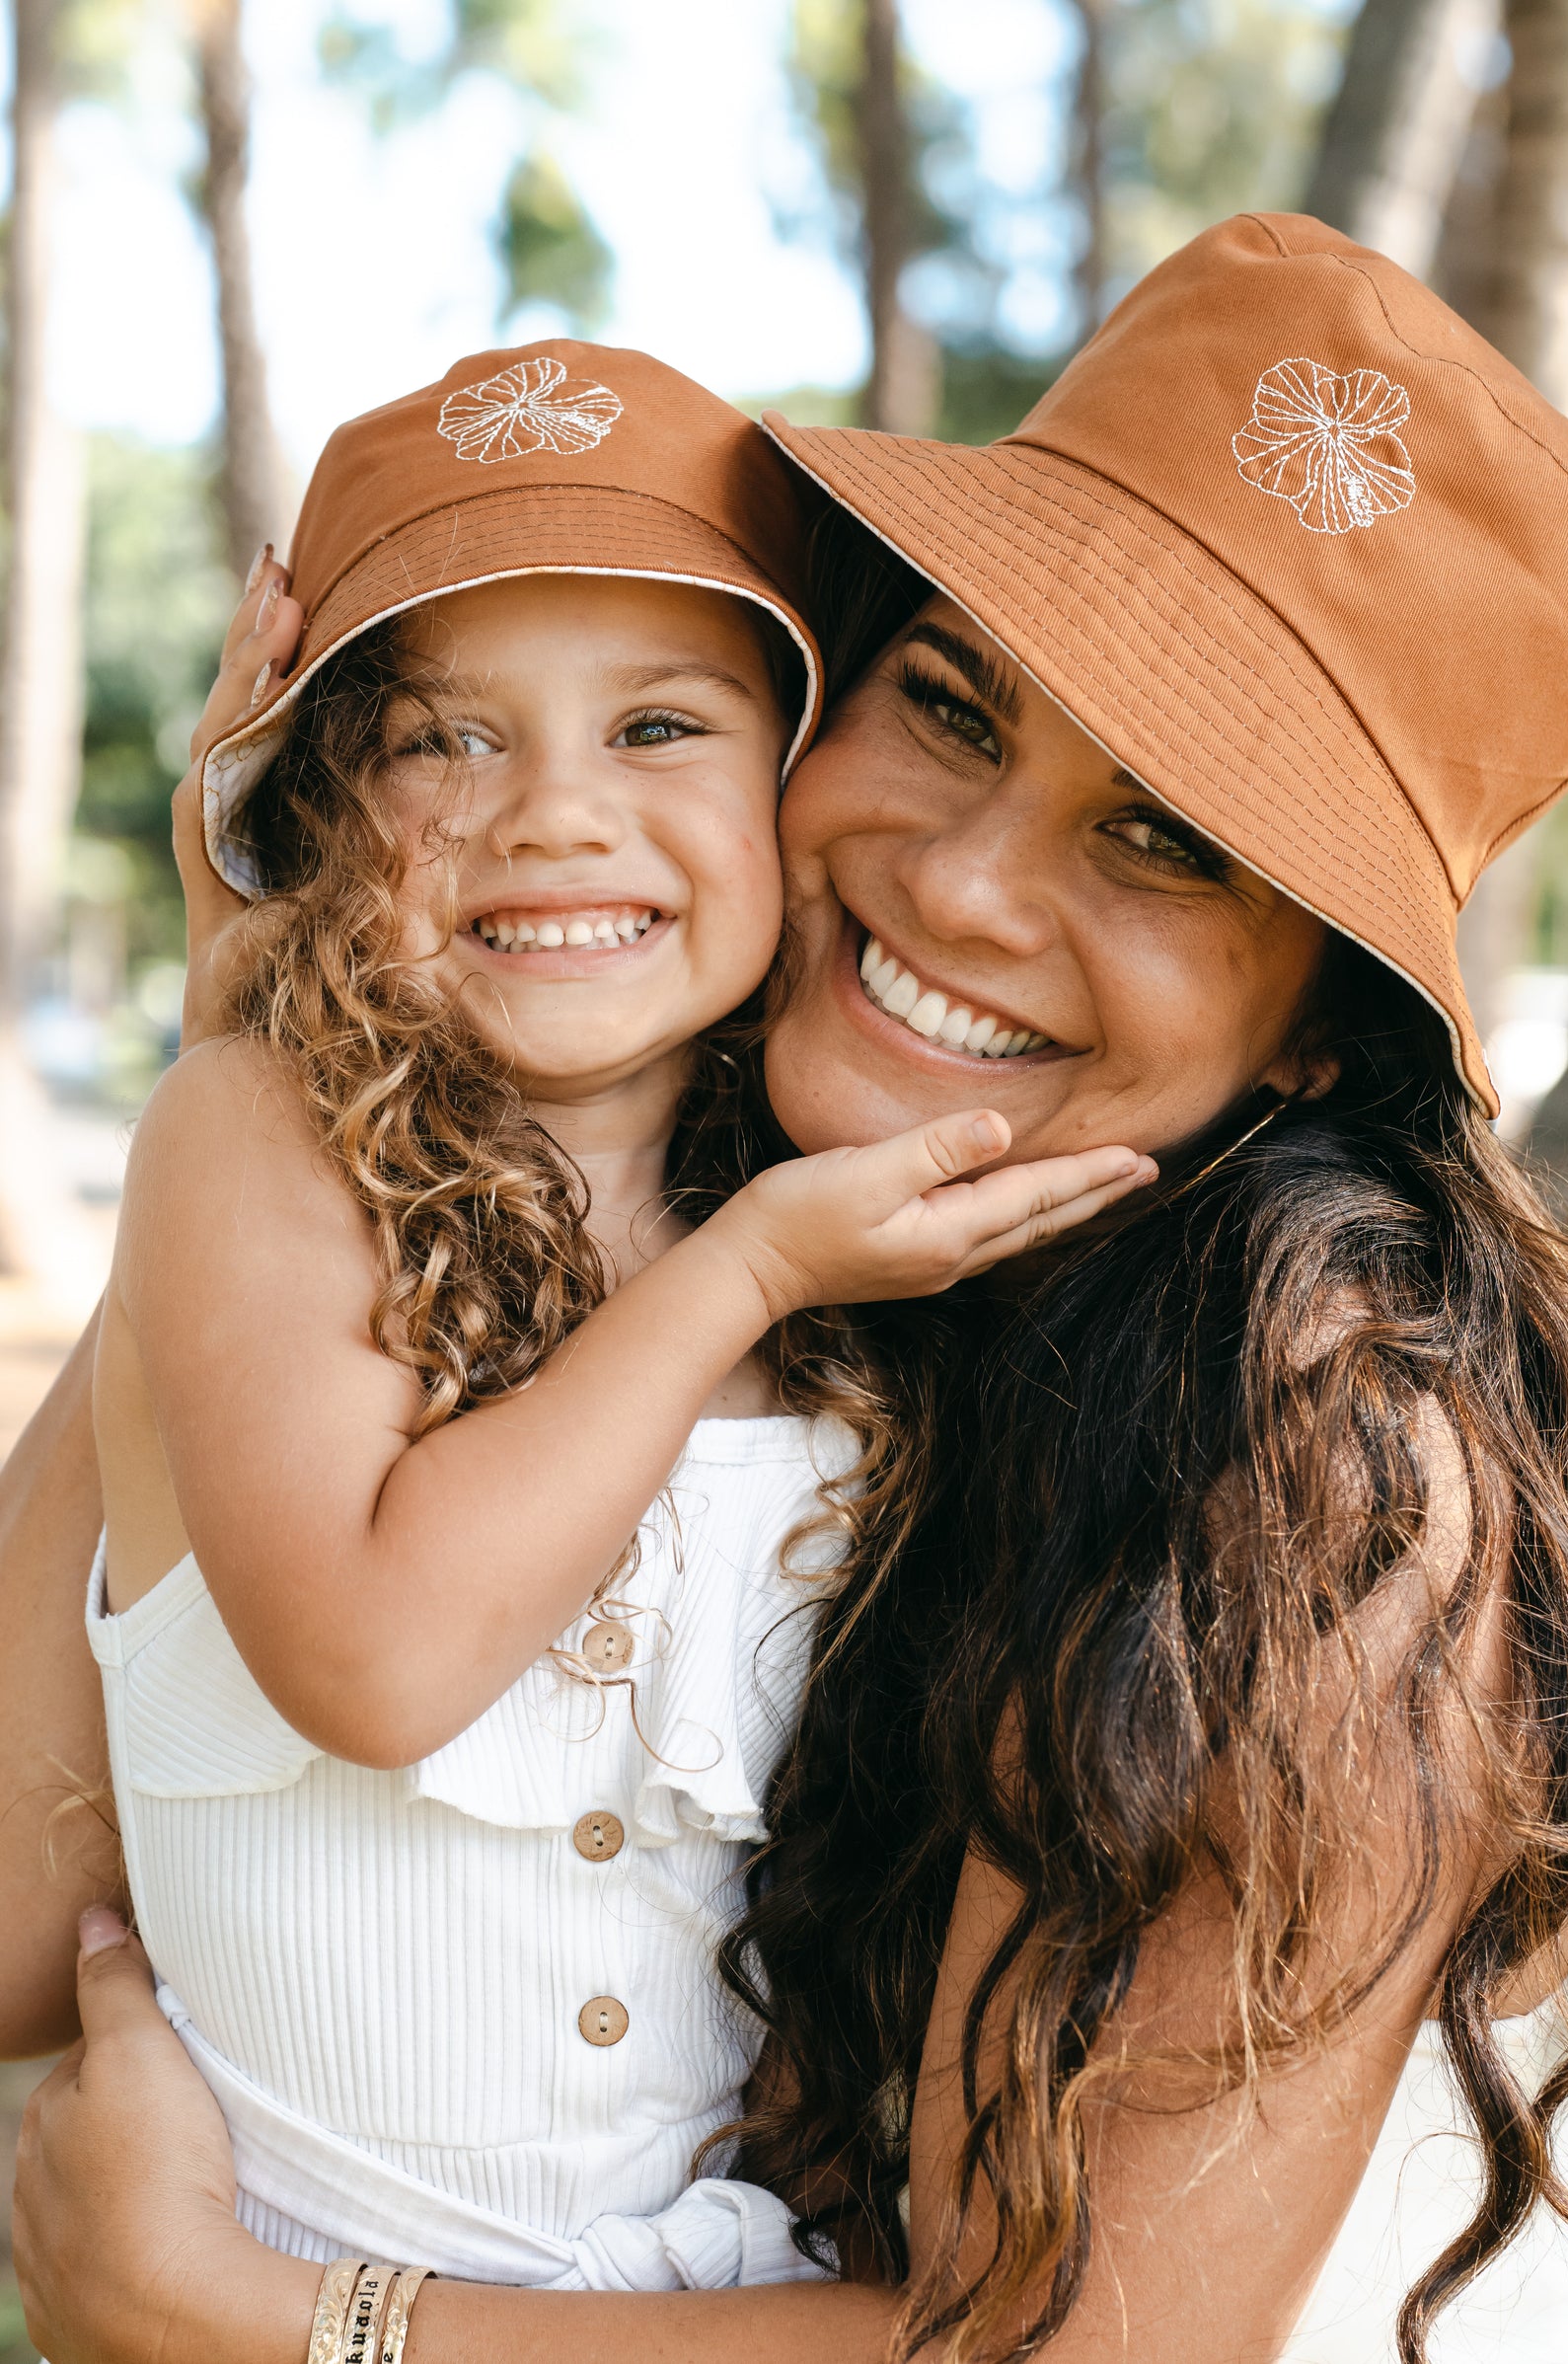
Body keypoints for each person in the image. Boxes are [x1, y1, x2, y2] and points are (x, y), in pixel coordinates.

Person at [12, 212, 1568, 2364]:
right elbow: (29, 1914)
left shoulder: (1324, 1454)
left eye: (1163, 839)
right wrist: (275, 1078)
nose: (958, 882)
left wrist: (279, 2321)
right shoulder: (753, 1212)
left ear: (1321, 1030)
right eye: (948, 704)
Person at [88, 336, 1149, 2298]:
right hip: (288, 2282)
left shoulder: (846, 1249)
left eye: (658, 727)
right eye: (440, 740)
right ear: (314, 802)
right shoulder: (252, 1140)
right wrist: (742, 1276)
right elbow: (379, 1657)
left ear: (790, 781)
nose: (553, 814)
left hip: (718, 2304)